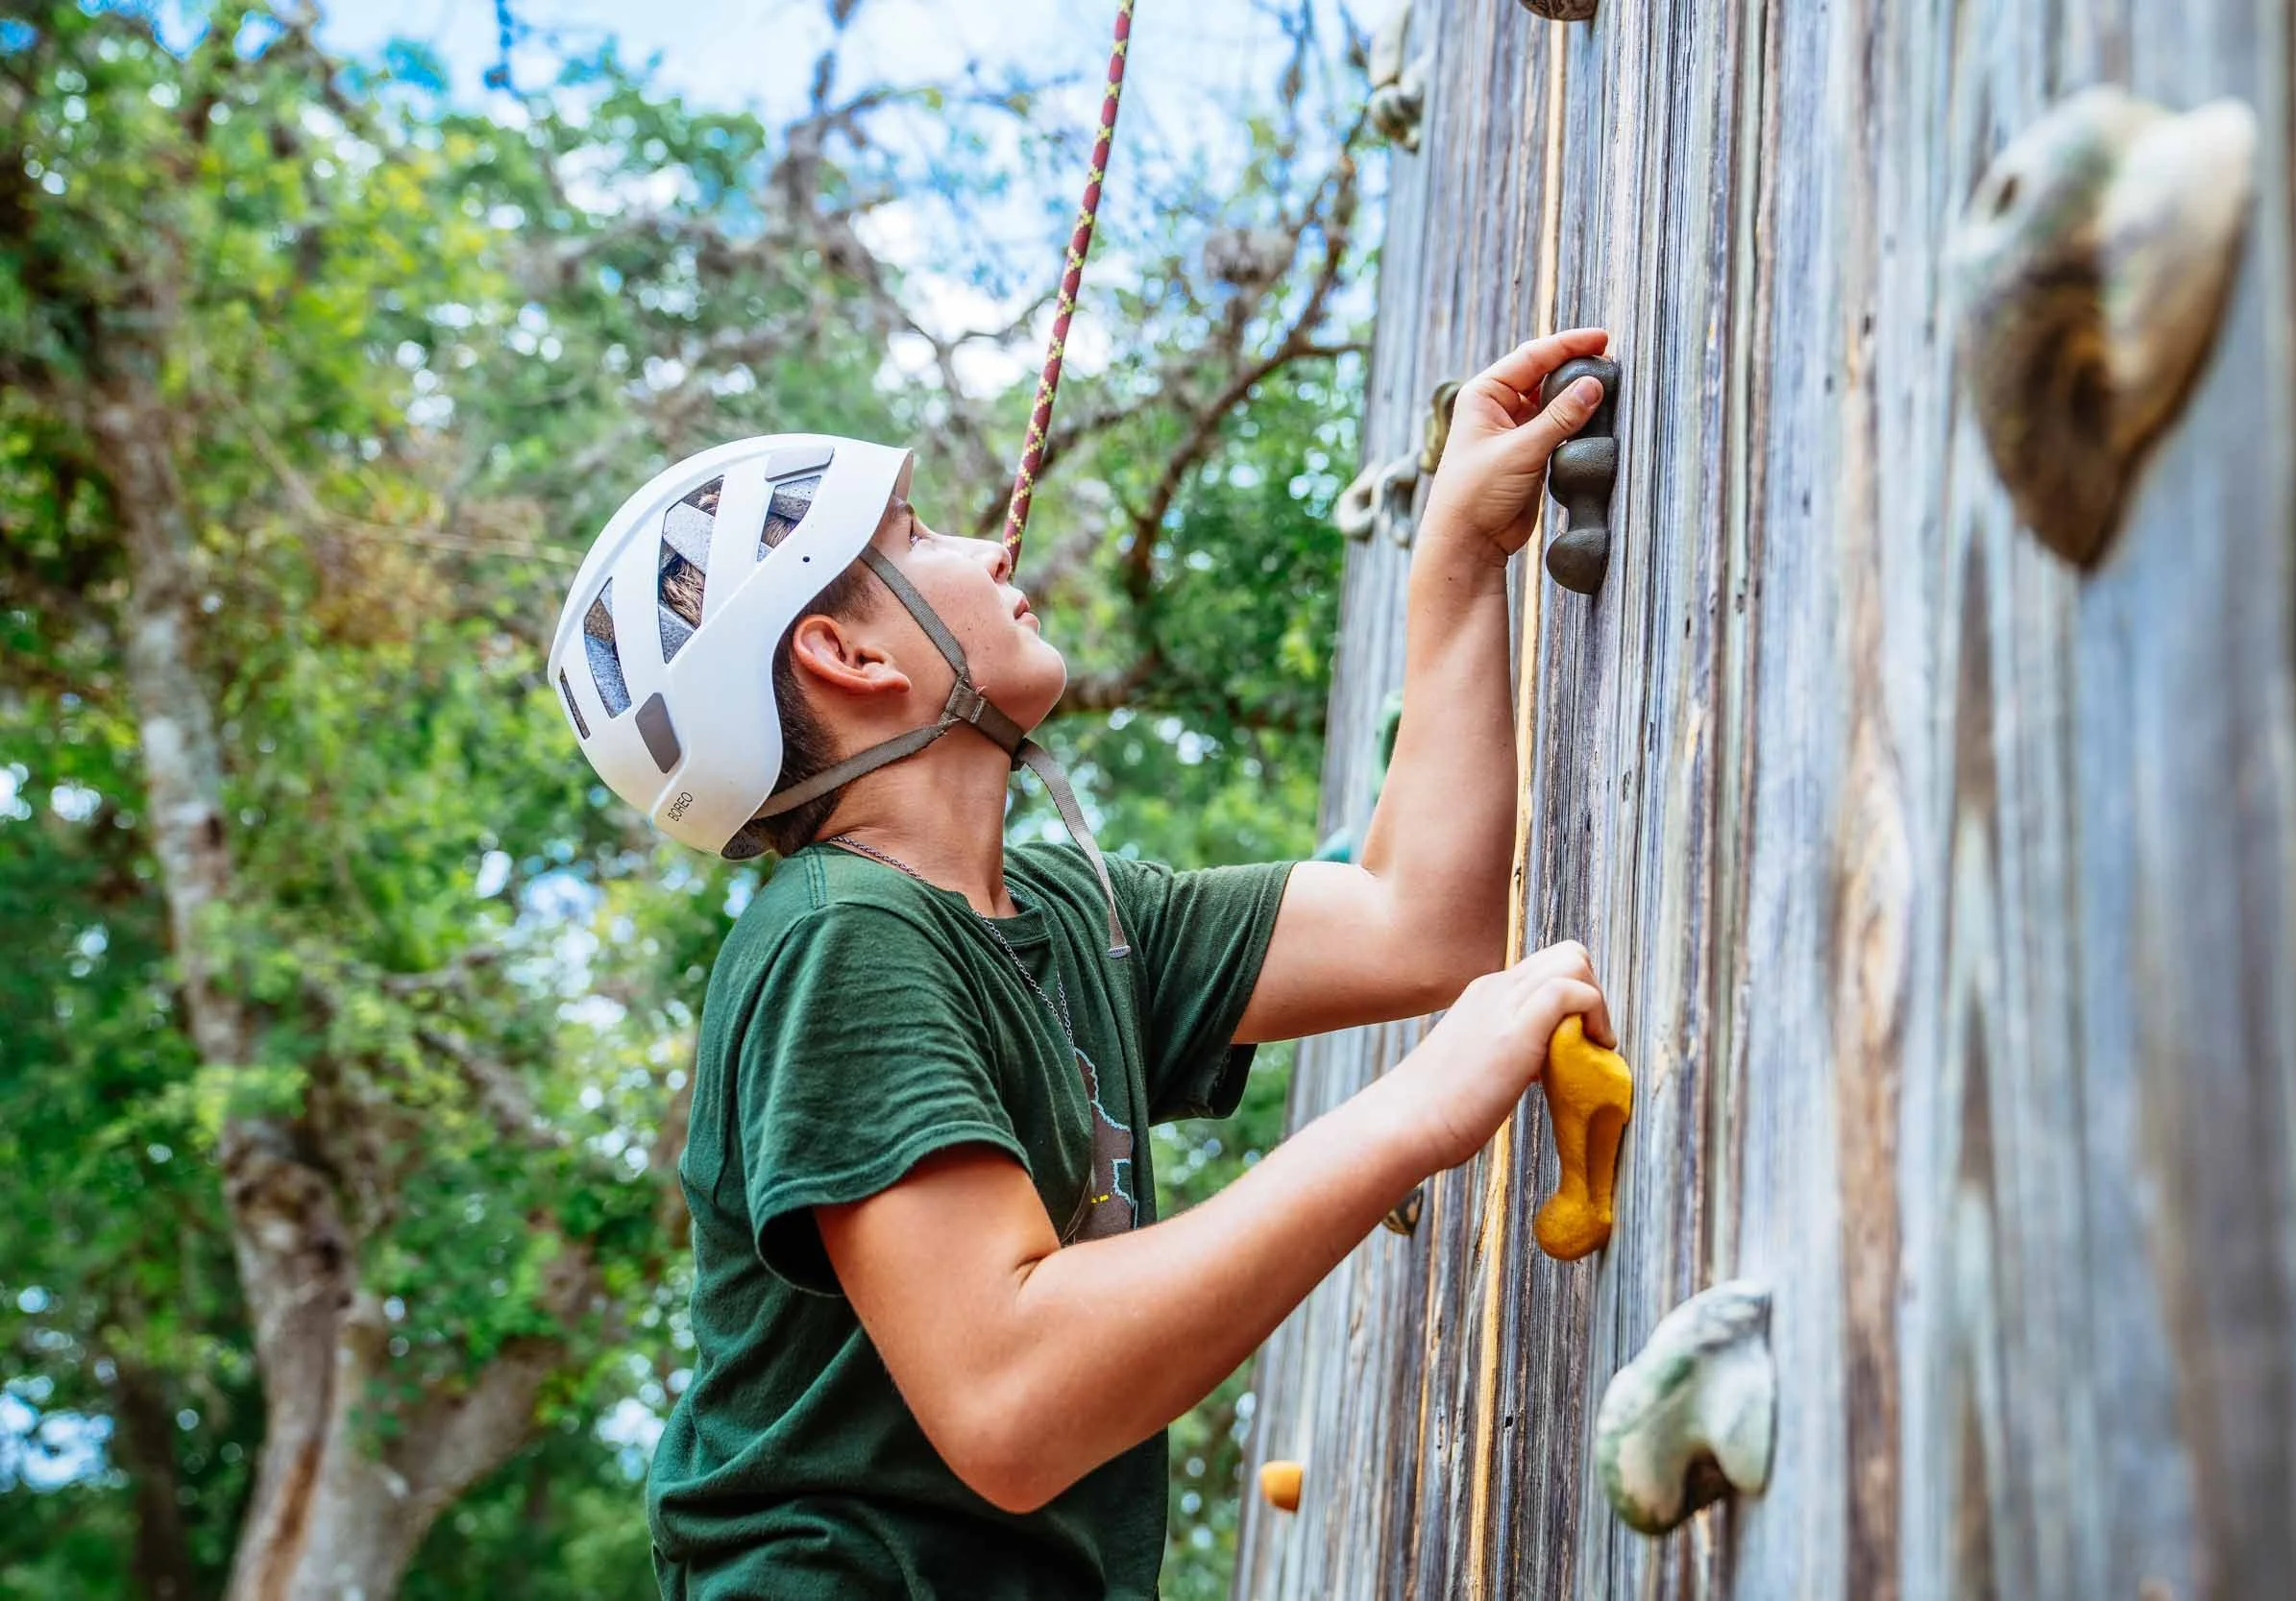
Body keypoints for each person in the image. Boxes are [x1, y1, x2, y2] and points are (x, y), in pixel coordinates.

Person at [549, 328, 1620, 1599]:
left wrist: (1456, 555)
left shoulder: (1066, 911)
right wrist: (1418, 1110)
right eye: (915, 537)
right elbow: (1012, 1394)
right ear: (851, 657)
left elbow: (1416, 919)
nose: (985, 548)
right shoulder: (841, 934)